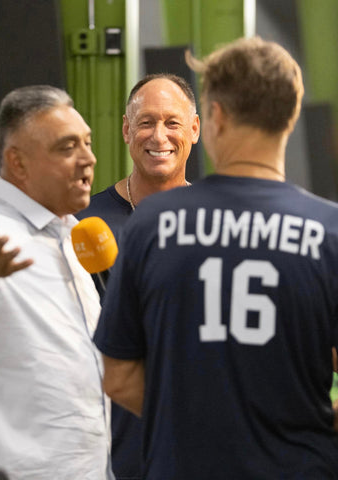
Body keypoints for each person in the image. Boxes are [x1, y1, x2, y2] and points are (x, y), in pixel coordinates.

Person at [93, 36, 338, 479]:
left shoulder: (152, 224)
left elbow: (120, 379)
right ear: (292, 113)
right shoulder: (330, 231)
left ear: (214, 118)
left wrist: (203, 423)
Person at [0, 85, 114, 480]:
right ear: (17, 162)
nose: (89, 159)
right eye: (67, 147)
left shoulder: (73, 234)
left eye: (88, 143)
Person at [76, 73, 200, 479]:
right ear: (127, 130)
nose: (158, 135)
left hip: (207, 444)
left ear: (195, 129)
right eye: (146, 122)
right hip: (111, 451)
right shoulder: (82, 224)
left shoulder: (218, 224)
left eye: (172, 122)